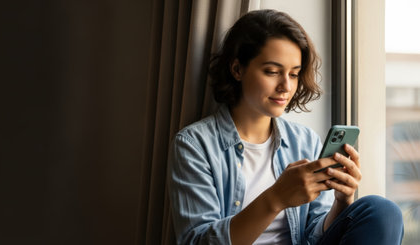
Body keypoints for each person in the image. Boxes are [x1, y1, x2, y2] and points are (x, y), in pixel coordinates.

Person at [167, 9, 404, 245]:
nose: (286, 86)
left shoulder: (304, 140)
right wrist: (276, 198)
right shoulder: (195, 145)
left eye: (294, 74)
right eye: (272, 72)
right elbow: (195, 241)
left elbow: (312, 236)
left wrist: (342, 202)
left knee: (382, 211)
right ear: (237, 69)